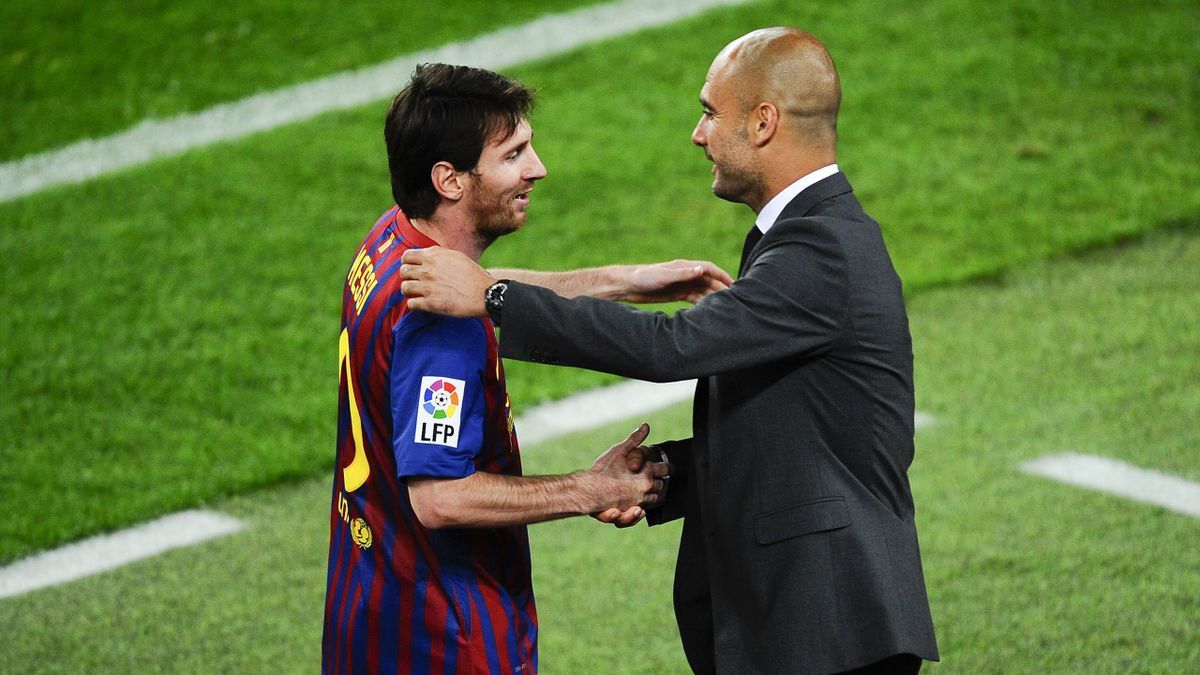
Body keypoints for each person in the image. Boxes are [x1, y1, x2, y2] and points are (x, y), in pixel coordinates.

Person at [398, 28, 940, 674]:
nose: (697, 133)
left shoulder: (821, 251)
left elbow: (672, 346)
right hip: (812, 623)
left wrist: (493, 295)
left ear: (764, 122)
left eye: (711, 112)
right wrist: (666, 476)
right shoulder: (802, 235)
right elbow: (804, 428)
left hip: (831, 625)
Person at [322, 63, 729, 674]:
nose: (537, 169)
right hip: (446, 635)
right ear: (450, 180)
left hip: (368, 603)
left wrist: (624, 283)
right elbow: (440, 498)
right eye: (513, 154)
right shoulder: (443, 323)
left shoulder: (392, 242)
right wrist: (591, 488)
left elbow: (484, 287)